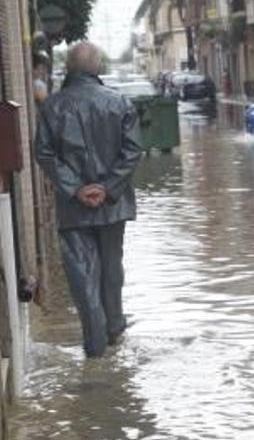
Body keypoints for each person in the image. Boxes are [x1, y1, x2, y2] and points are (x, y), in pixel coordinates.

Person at [34, 42, 143, 358]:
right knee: (111, 268)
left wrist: (76, 188)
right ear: (97, 68)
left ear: (68, 68)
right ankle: (115, 331)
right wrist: (107, 189)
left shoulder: (53, 106)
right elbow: (132, 151)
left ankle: (95, 350)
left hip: (74, 208)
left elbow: (43, 152)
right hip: (113, 205)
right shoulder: (120, 103)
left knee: (83, 277)